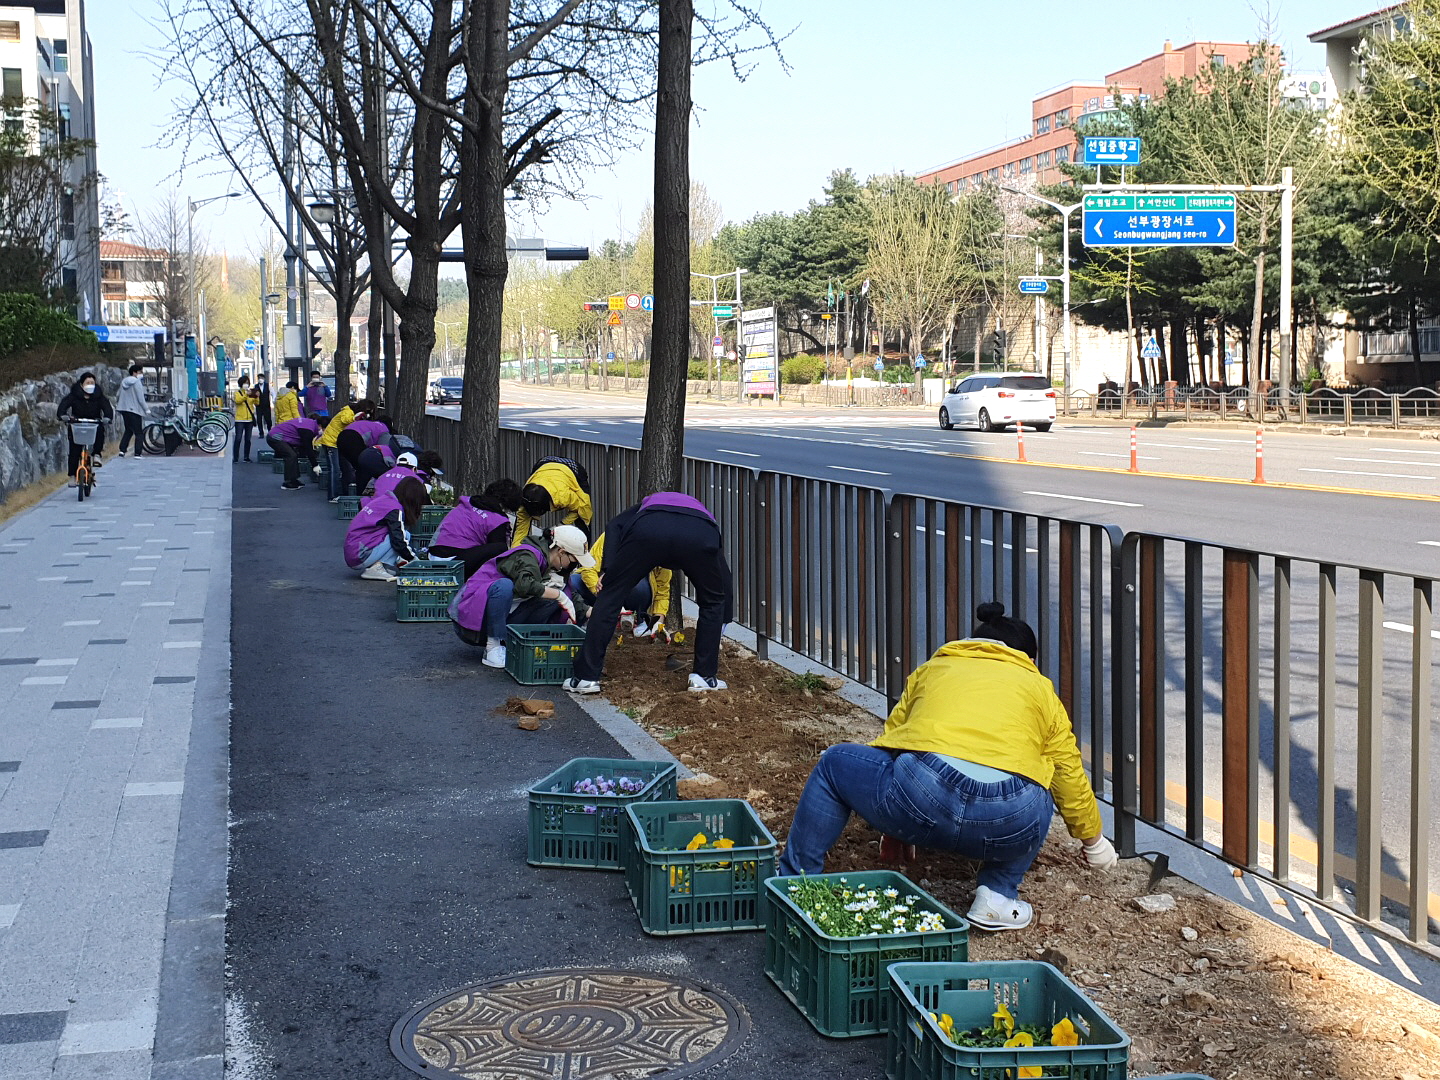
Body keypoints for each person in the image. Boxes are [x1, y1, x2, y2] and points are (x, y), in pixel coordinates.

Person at [775, 602, 1118, 932]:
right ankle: (997, 895)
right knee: (1040, 784)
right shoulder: (1041, 690)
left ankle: (795, 886)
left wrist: (897, 824)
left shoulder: (933, 670)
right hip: (1007, 818)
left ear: (973, 643)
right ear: (1027, 659)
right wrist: (1094, 843)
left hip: (923, 794)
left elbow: (895, 741)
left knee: (835, 763)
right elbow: (1067, 772)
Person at [563, 492, 732, 695]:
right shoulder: (704, 517)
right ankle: (704, 677)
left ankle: (586, 678)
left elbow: (614, 526)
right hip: (698, 538)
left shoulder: (646, 506)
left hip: (648, 533)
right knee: (712, 602)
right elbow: (723, 578)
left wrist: (608, 570)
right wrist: (725, 615)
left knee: (610, 597)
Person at [449, 524, 592, 668]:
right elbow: (524, 585)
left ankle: (525, 645)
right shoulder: (527, 555)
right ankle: (493, 647)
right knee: (505, 586)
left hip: (505, 615)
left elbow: (570, 594)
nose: (573, 567)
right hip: (472, 623)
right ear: (561, 552)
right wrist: (559, 595)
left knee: (552, 600)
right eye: (574, 562)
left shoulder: (555, 567)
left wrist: (590, 611)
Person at [571, 528, 672, 635]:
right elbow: (589, 568)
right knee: (573, 582)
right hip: (602, 592)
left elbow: (662, 592)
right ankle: (586, 621)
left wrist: (658, 624)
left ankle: (637, 620)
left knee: (639, 586)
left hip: (634, 594)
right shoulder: (612, 537)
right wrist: (603, 594)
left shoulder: (661, 552)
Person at [429, 479, 522, 578]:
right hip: (454, 564)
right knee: (500, 548)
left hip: (434, 555)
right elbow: (499, 558)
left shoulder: (467, 503)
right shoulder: (497, 521)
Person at [343, 475, 427, 582]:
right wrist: (415, 561)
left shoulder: (385, 500)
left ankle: (382, 566)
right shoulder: (394, 509)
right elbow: (398, 540)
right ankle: (378, 568)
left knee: (404, 534)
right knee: (403, 535)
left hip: (355, 551)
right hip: (360, 555)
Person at [510, 456, 593, 544]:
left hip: (572, 468)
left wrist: (561, 525)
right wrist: (515, 553)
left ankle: (584, 550)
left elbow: (580, 507)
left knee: (583, 514)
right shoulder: (524, 500)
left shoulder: (563, 496)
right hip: (543, 465)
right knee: (520, 523)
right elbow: (520, 531)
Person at [56, 372, 114, 484]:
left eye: (92, 382)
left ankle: (97, 454)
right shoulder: (74, 395)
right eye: (88, 383)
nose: (90, 385)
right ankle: (72, 475)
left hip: (94, 422)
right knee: (74, 450)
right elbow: (63, 405)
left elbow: (107, 407)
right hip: (77, 423)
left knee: (100, 431)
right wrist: (63, 415)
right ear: (82, 384)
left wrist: (107, 417)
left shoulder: (98, 396)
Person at [316, 397, 374, 501]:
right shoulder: (347, 411)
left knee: (343, 468)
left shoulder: (349, 411)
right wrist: (355, 418)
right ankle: (333, 496)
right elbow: (345, 420)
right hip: (331, 442)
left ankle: (341, 492)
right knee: (335, 469)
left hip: (336, 443)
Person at [335, 413, 391, 497]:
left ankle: (346, 495)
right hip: (353, 438)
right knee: (364, 467)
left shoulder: (370, 424)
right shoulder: (383, 429)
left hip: (341, 437)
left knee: (347, 469)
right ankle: (360, 496)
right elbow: (383, 448)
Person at [266, 416, 323, 490]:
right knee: (291, 455)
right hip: (275, 437)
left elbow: (304, 446)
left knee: (293, 455)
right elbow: (308, 447)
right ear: (320, 426)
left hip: (279, 435)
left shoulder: (310, 424)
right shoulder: (308, 430)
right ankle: (288, 482)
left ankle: (294, 480)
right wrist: (315, 465)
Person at [369, 449, 443, 502]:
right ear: (414, 468)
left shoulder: (383, 476)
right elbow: (425, 501)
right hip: (397, 512)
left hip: (376, 507)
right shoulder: (417, 479)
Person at [115, 363, 148, 459]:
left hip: (124, 409)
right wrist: (146, 409)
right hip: (134, 410)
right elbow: (140, 398)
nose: (141, 374)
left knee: (128, 430)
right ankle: (138, 453)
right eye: (140, 372)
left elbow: (118, 395)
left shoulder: (123, 381)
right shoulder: (137, 382)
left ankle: (122, 450)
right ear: (134, 372)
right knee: (139, 432)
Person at [232, 374, 260, 463]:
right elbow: (238, 401)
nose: (246, 384)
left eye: (247, 383)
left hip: (249, 419)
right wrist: (246, 395)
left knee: (248, 439)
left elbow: (256, 403)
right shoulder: (237, 393)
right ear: (241, 384)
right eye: (244, 383)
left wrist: (257, 396)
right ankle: (235, 457)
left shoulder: (251, 392)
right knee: (238, 438)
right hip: (240, 419)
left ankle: (246, 457)